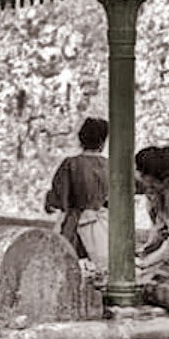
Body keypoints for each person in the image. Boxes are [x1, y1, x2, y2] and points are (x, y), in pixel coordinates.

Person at [44, 117, 110, 277]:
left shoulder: (71, 164)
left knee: (70, 269)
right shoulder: (111, 165)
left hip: (75, 224)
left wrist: (50, 202)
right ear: (103, 141)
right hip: (105, 225)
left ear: (81, 138)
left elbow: (57, 199)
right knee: (101, 270)